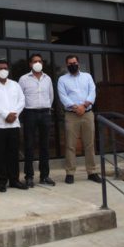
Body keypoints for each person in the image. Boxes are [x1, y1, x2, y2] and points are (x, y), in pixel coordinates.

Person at [0, 60, 28, 192]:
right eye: (0, 68)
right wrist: (5, 114)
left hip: (13, 124)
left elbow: (22, 100)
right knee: (0, 155)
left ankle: (14, 180)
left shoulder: (15, 85)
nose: (3, 70)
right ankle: (2, 181)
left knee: (13, 154)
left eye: (5, 68)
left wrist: (14, 114)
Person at [57, 54, 101, 184]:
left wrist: (84, 106)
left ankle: (91, 171)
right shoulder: (62, 79)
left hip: (87, 114)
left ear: (78, 63)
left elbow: (92, 91)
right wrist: (76, 107)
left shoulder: (87, 77)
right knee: (70, 145)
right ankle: (70, 173)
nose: (73, 65)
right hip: (71, 115)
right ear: (67, 65)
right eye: (70, 63)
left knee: (89, 144)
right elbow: (63, 96)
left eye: (74, 63)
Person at [18, 53, 55, 188]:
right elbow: (19, 97)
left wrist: (46, 107)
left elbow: (51, 96)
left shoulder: (47, 78)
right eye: (35, 61)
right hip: (30, 113)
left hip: (45, 113)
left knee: (45, 146)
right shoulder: (23, 79)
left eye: (40, 61)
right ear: (30, 64)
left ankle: (44, 176)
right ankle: (29, 176)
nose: (38, 63)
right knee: (29, 146)